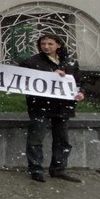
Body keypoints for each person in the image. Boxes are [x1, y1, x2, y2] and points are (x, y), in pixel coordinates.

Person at [20, 33, 85, 183]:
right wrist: (50, 75)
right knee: (36, 139)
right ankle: (36, 170)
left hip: (63, 107)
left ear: (58, 45)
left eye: (50, 44)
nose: (46, 47)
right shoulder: (31, 62)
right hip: (40, 106)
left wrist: (81, 92)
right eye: (43, 44)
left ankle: (58, 169)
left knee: (62, 140)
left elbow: (79, 82)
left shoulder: (70, 63)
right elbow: (22, 80)